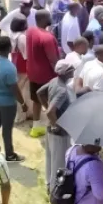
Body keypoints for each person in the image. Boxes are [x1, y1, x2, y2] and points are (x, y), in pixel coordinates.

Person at [36, 59, 74, 191]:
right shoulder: (62, 90)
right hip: (59, 131)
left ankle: (49, 184)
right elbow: (51, 111)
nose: (73, 71)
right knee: (59, 162)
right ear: (66, 72)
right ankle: (55, 190)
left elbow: (39, 93)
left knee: (50, 157)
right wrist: (55, 125)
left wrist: (46, 108)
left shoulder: (54, 81)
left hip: (51, 128)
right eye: (71, 69)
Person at [0, 36, 26, 161]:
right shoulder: (10, 68)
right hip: (7, 103)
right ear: (9, 48)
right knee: (7, 129)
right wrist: (22, 102)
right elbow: (14, 89)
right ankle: (9, 154)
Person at [26, 9, 60, 138]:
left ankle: (35, 127)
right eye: (48, 17)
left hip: (33, 73)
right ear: (43, 20)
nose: (50, 18)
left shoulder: (31, 31)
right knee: (52, 102)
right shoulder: (47, 37)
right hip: (47, 76)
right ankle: (54, 126)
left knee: (36, 100)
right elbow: (53, 60)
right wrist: (60, 73)